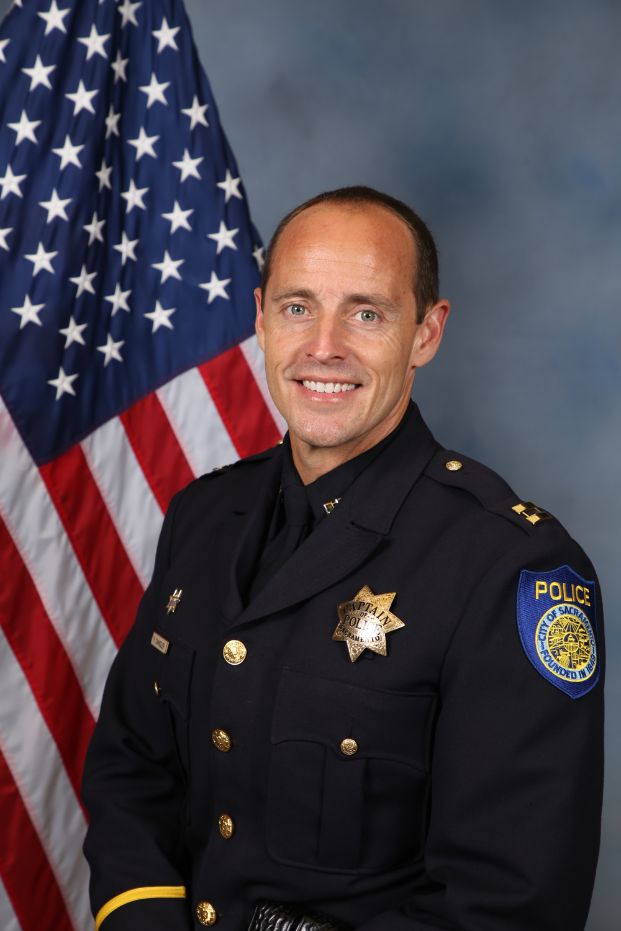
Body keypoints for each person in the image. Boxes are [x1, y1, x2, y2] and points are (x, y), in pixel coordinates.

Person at [82, 187, 604, 931]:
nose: (323, 345)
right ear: (260, 317)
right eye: (297, 307)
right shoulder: (204, 516)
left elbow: (506, 904)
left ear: (426, 332)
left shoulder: (509, 568)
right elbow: (132, 767)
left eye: (366, 312)